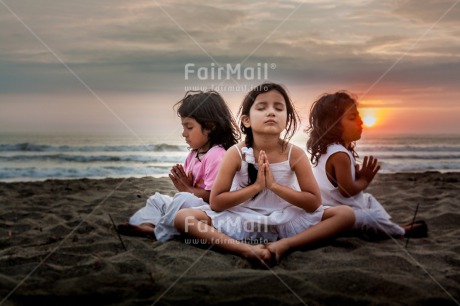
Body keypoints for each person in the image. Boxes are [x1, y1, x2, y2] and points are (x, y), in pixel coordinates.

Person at [174, 83, 355, 266]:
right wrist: (257, 187)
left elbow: (314, 202)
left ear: (287, 119)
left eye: (279, 108)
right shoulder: (235, 153)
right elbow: (217, 202)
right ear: (247, 120)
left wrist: (274, 186)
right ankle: (245, 249)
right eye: (262, 108)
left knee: (346, 214)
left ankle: (286, 245)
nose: (271, 112)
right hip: (243, 217)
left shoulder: (295, 154)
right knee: (183, 218)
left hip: (285, 217)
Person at [118, 90, 240, 241]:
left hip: (211, 212)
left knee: (182, 198)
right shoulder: (193, 155)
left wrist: (187, 189)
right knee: (157, 200)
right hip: (194, 206)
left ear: (210, 126)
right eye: (183, 127)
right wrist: (185, 187)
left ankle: (159, 231)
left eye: (189, 127)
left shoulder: (217, 155)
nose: (184, 134)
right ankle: (147, 225)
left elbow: (214, 198)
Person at [306, 91, 427, 238]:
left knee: (368, 199)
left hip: (337, 208)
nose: (360, 121)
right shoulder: (339, 155)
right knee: (370, 217)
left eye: (358, 116)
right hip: (337, 216)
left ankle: (389, 226)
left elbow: (338, 185)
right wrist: (364, 180)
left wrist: (356, 177)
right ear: (333, 125)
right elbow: (347, 191)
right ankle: (400, 231)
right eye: (352, 118)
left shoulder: (331, 150)